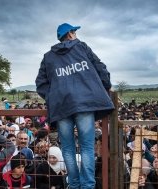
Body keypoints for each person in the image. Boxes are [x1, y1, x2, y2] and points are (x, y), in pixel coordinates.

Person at [35, 23, 114, 189]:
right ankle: (87, 186)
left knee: (68, 149)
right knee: (86, 147)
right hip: (85, 104)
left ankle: (74, 184)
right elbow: (100, 67)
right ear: (70, 34)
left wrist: (53, 97)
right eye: (75, 32)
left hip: (62, 107)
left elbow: (40, 83)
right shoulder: (82, 47)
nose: (76, 35)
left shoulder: (48, 57)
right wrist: (105, 85)